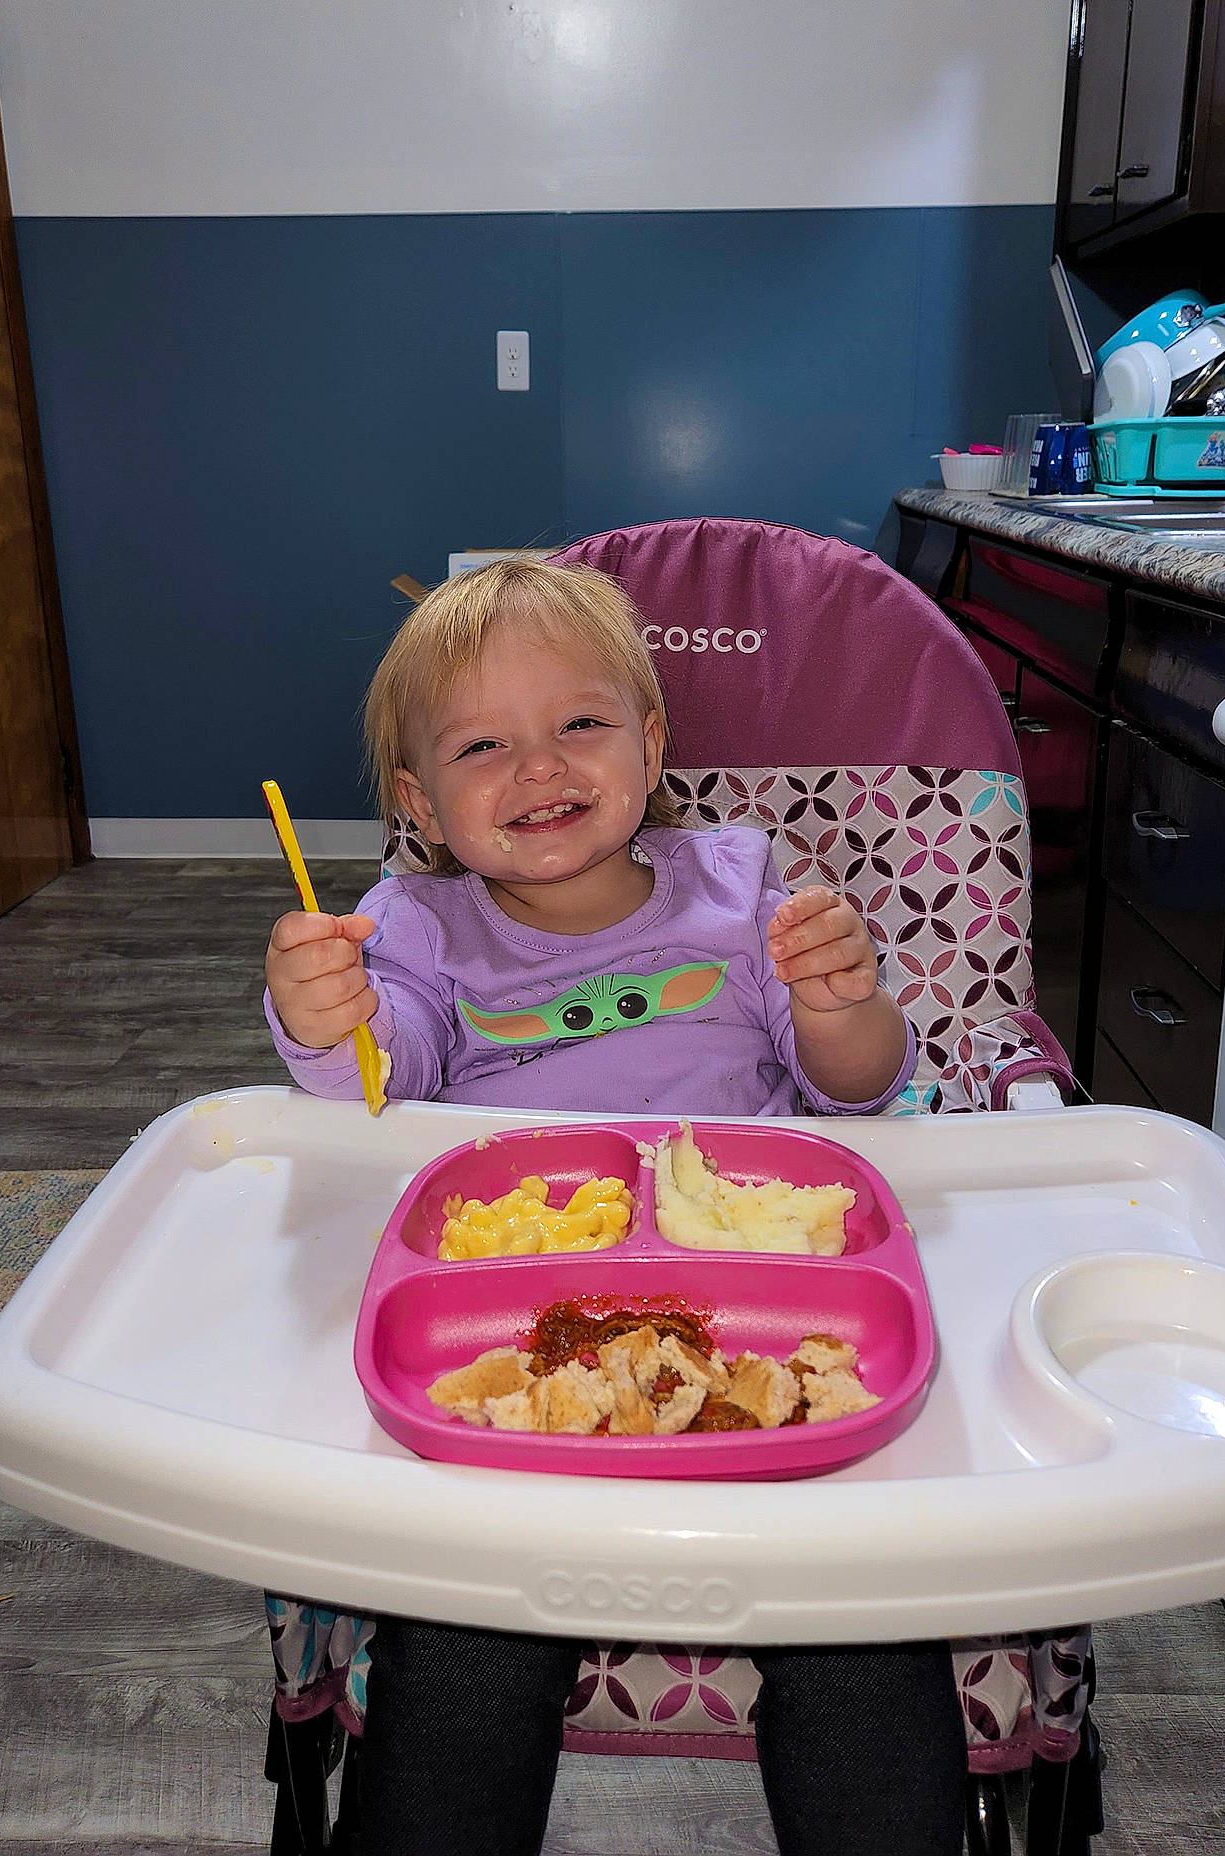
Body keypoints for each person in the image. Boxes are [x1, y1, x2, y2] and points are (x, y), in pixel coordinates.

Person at [264, 557, 967, 1856]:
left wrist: (841, 1005)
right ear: (419, 799)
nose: (540, 767)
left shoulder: (742, 895)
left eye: (580, 724)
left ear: (650, 742)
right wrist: (327, 1017)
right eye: (484, 744)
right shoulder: (415, 932)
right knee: (462, 1646)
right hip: (504, 1360)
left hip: (765, 1341)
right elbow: (376, 1085)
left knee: (864, 1629)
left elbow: (858, 1094)